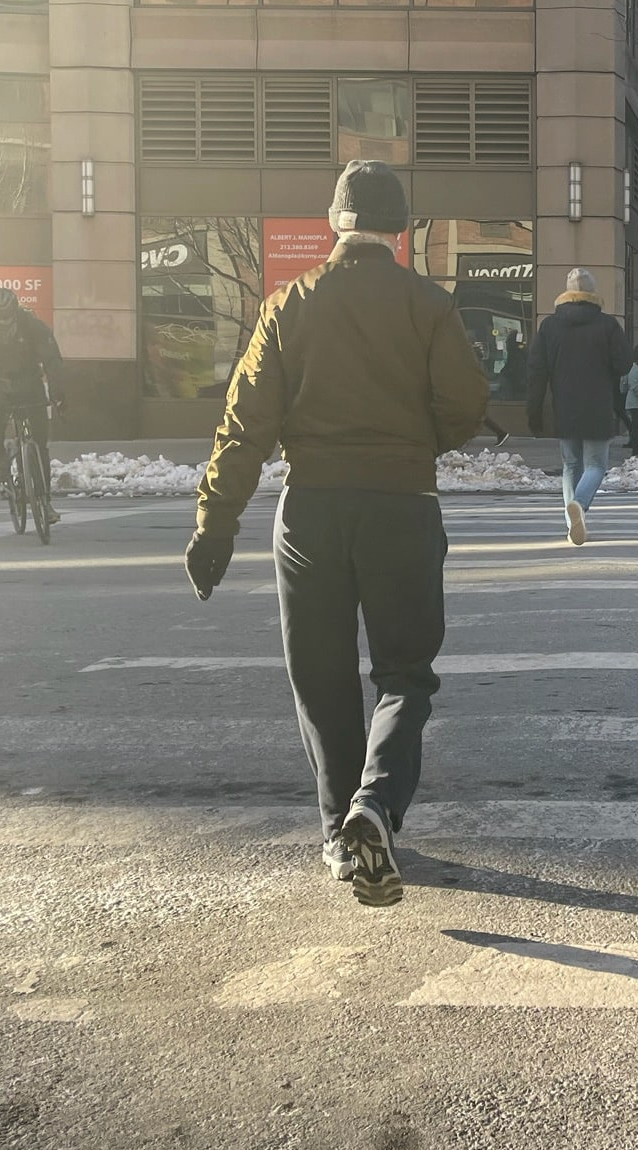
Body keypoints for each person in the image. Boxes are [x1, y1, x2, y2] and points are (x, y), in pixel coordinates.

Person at [185, 159, 489, 907]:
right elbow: (465, 403)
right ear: (402, 231)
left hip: (311, 508)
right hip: (402, 504)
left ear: (335, 225)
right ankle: (375, 808)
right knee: (404, 672)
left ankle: (337, 834)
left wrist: (214, 524)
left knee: (320, 677)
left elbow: (244, 423)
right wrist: (417, 440)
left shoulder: (290, 304)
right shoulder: (428, 304)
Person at [526, 267, 629, 546]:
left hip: (565, 405)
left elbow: (536, 370)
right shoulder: (607, 325)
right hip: (598, 404)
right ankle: (580, 506)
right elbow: (624, 364)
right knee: (596, 464)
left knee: (571, 464)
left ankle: (572, 522)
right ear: (592, 293)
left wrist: (533, 411)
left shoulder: (549, 326)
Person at [0, 286, 64, 525]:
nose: (2, 320)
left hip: (29, 384)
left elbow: (52, 359)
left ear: (15, 310)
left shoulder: (33, 327)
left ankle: (45, 501)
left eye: (6, 314)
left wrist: (57, 391)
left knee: (40, 445)